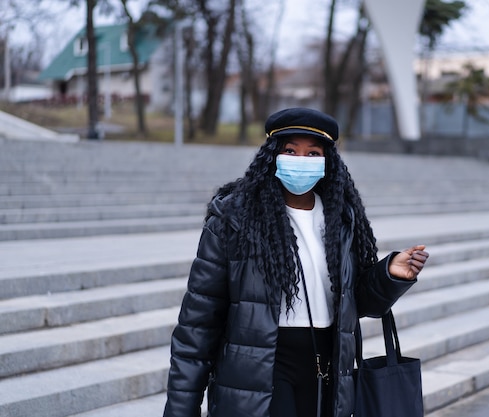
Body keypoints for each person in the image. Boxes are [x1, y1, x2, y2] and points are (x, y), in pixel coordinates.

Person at [163, 107, 429, 417]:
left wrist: (389, 275)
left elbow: (356, 303)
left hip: (327, 366)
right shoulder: (233, 219)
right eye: (291, 150)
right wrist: (181, 410)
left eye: (313, 153)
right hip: (262, 369)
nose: (301, 161)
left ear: (328, 161)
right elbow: (198, 324)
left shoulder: (341, 219)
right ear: (272, 155)